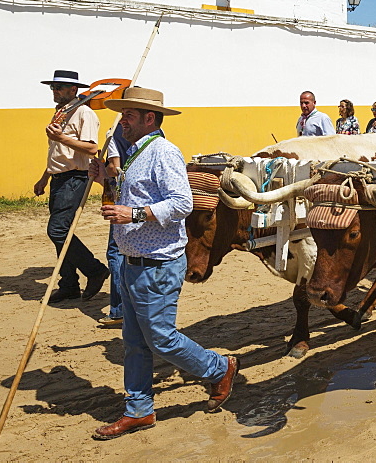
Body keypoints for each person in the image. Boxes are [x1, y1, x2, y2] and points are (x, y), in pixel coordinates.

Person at [89, 87, 238, 440]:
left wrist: (134, 214)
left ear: (149, 118)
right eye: (122, 114)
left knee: (162, 340)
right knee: (134, 342)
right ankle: (139, 410)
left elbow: (183, 203)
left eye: (128, 115)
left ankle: (219, 367)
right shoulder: (133, 153)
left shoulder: (164, 152)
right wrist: (104, 178)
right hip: (130, 262)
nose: (121, 121)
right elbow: (134, 191)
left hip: (157, 264)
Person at [34, 70, 108, 304]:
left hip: (75, 178)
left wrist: (62, 139)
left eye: (60, 87)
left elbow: (91, 148)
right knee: (61, 234)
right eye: (53, 87)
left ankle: (95, 270)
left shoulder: (84, 112)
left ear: (73, 89)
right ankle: (68, 284)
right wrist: (45, 177)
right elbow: (58, 151)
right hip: (59, 178)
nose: (55, 91)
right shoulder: (61, 112)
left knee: (57, 230)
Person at [97, 123, 132, 327]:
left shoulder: (115, 132)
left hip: (123, 199)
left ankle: (119, 309)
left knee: (116, 252)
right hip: (143, 200)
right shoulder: (157, 132)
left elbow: (115, 169)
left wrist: (102, 169)